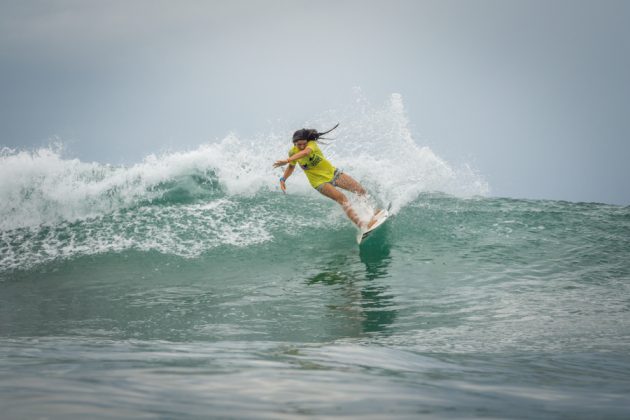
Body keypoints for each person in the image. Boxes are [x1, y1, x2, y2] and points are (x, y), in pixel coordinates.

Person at [273, 124, 380, 230]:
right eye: (298, 145)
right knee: (342, 199)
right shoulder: (292, 152)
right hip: (319, 182)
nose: (301, 147)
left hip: (333, 173)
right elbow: (291, 167)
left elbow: (306, 152)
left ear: (307, 141)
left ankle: (372, 214)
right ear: (294, 143)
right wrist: (283, 179)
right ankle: (363, 225)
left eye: (303, 144)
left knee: (360, 190)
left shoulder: (311, 145)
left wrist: (288, 159)